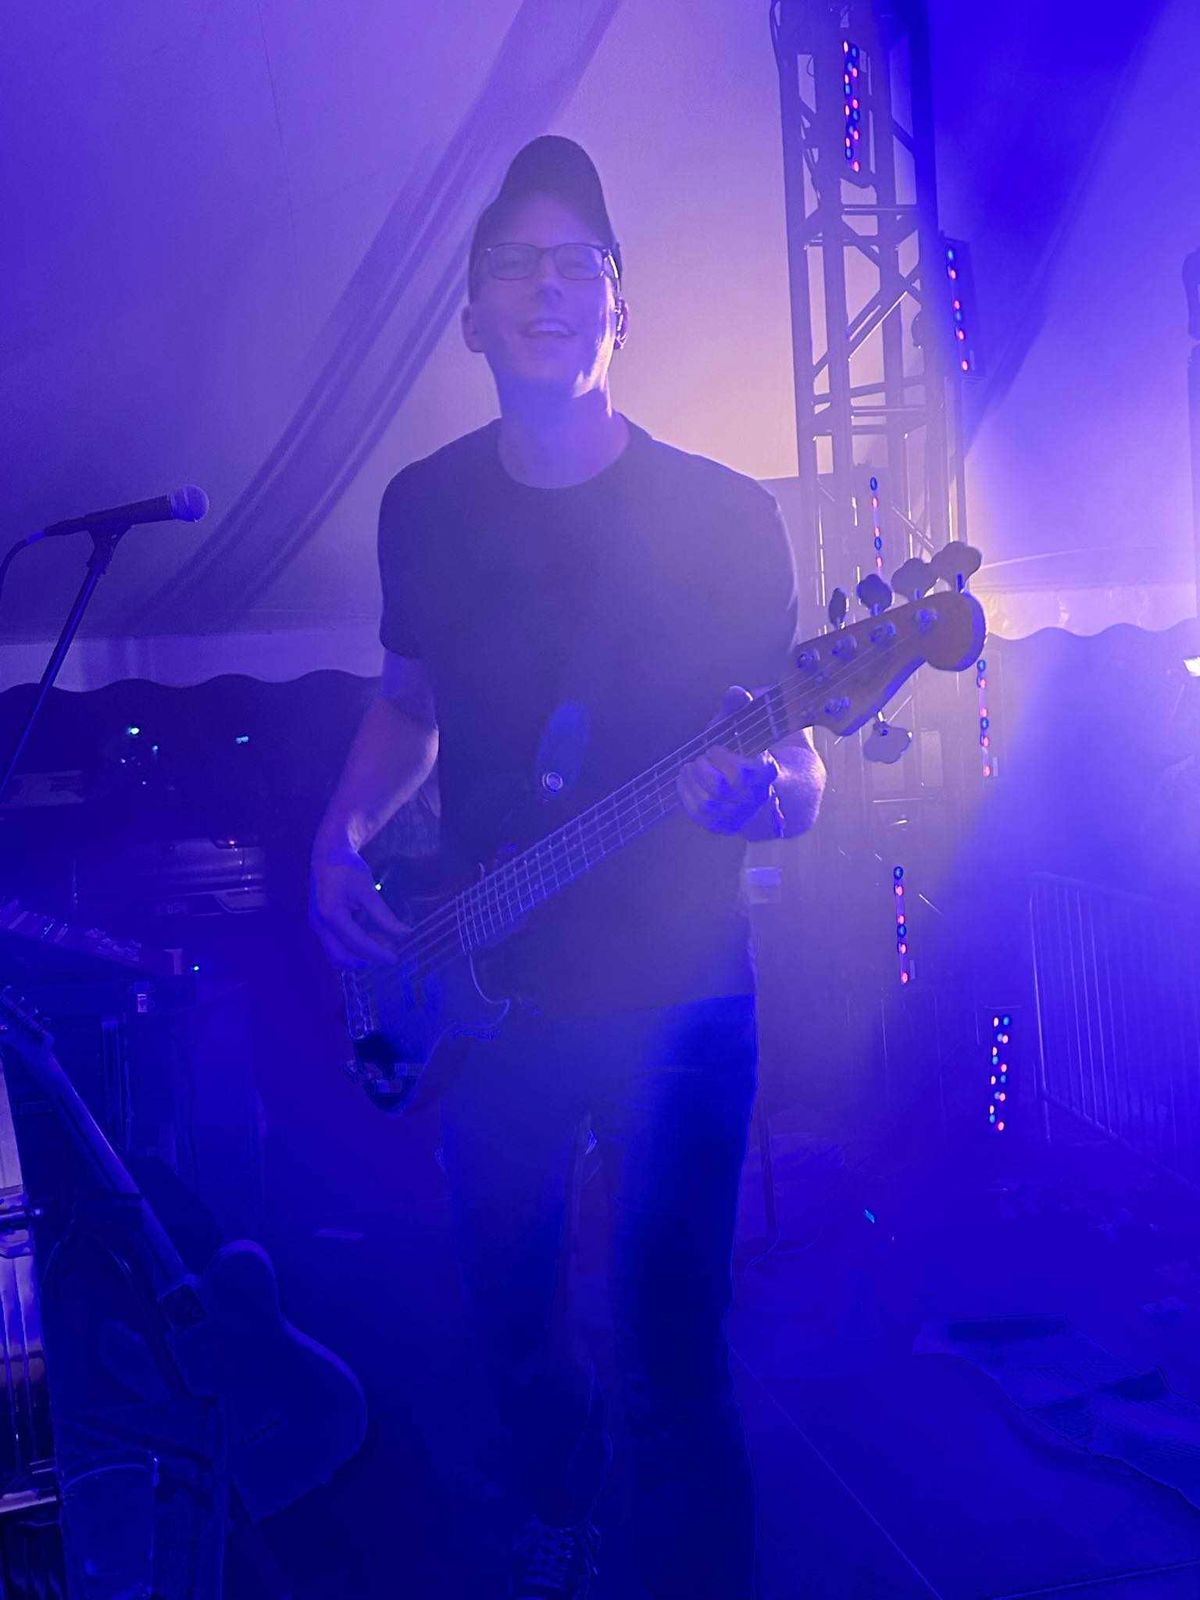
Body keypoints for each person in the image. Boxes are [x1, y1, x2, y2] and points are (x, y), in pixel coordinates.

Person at [310, 135, 825, 1600]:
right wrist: (337, 833)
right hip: (489, 997)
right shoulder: (421, 506)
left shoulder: (723, 515)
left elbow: (799, 754)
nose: (548, 287)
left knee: (674, 1350)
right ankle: (560, 1529)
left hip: (680, 1003)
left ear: (621, 305)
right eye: (515, 266)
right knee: (515, 1333)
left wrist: (772, 803)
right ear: (471, 318)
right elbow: (409, 704)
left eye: (577, 263)